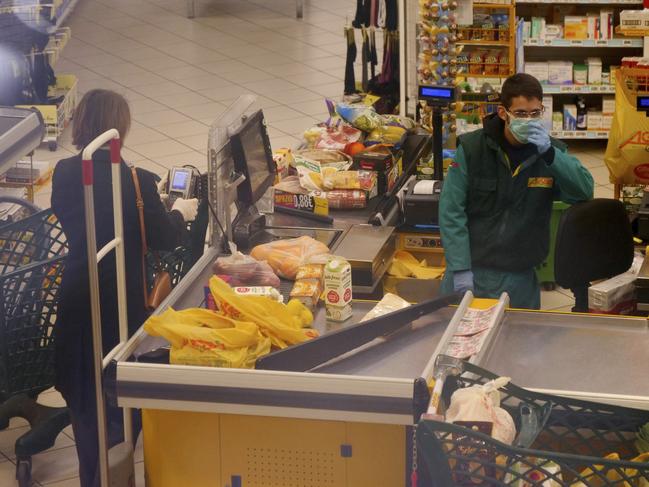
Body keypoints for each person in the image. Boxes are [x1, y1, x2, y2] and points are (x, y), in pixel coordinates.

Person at [51, 89, 198, 487]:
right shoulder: (136, 179)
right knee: (121, 417)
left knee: (86, 417)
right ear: (120, 128)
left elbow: (82, 218)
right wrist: (179, 212)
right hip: (118, 310)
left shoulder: (65, 174)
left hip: (75, 309)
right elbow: (166, 238)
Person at [439, 73, 594, 309]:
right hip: (471, 269)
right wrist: (460, 268)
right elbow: (451, 211)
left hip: (519, 276)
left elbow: (583, 191)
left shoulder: (549, 154)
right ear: (504, 113)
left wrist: (551, 155)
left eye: (535, 113)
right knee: (454, 338)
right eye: (521, 114)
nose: (529, 120)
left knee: (520, 343)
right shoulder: (472, 149)